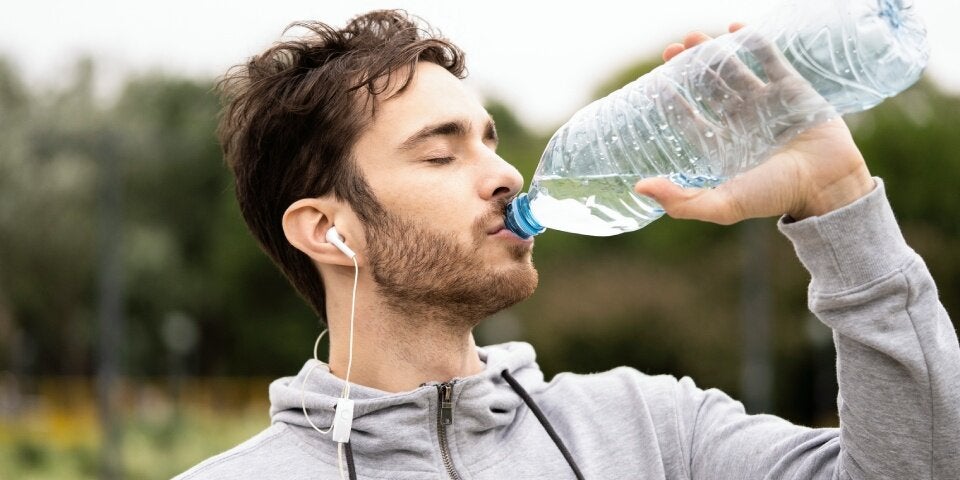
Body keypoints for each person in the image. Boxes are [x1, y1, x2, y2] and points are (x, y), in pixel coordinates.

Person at [177, 10, 960, 480]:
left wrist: (839, 200)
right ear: (328, 230)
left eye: (490, 141)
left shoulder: (650, 432)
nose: (506, 173)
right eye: (441, 152)